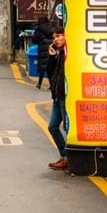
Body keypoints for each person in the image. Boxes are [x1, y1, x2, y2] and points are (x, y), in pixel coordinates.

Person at [46, 26, 69, 171]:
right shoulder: (59, 54)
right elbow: (50, 72)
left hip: (65, 96)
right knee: (53, 126)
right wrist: (51, 57)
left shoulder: (68, 54)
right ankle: (64, 155)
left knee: (67, 126)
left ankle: (68, 158)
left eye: (59, 36)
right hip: (57, 95)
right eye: (54, 38)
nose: (56, 40)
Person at [32, 15, 54, 90]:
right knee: (50, 68)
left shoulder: (39, 30)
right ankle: (51, 85)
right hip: (50, 49)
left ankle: (39, 83)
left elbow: (34, 40)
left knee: (42, 68)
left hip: (42, 50)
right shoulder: (51, 28)